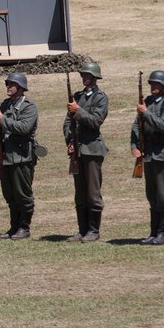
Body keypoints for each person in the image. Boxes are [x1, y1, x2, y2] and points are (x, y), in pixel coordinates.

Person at [131, 70, 164, 245]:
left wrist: (146, 113)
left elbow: (163, 125)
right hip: (150, 154)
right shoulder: (149, 102)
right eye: (151, 83)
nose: (153, 86)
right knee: (152, 195)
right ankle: (153, 233)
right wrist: (134, 144)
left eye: (157, 84)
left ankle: (163, 233)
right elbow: (136, 125)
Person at [63, 63, 108, 242]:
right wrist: (70, 141)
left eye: (88, 75)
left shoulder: (101, 98)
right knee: (80, 192)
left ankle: (93, 231)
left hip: (92, 150)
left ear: (95, 77)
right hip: (78, 150)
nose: (85, 77)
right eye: (83, 75)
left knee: (92, 192)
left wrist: (78, 111)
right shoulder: (77, 96)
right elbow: (67, 122)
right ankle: (82, 230)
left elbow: (96, 121)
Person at [0, 72, 39, 240]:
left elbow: (24, 127)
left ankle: (24, 227)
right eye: (7, 84)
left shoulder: (29, 106)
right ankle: (14, 227)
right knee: (10, 194)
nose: (8, 87)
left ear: (20, 87)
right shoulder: (5, 105)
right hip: (6, 156)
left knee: (22, 194)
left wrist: (3, 120)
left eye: (11, 84)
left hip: (22, 156)